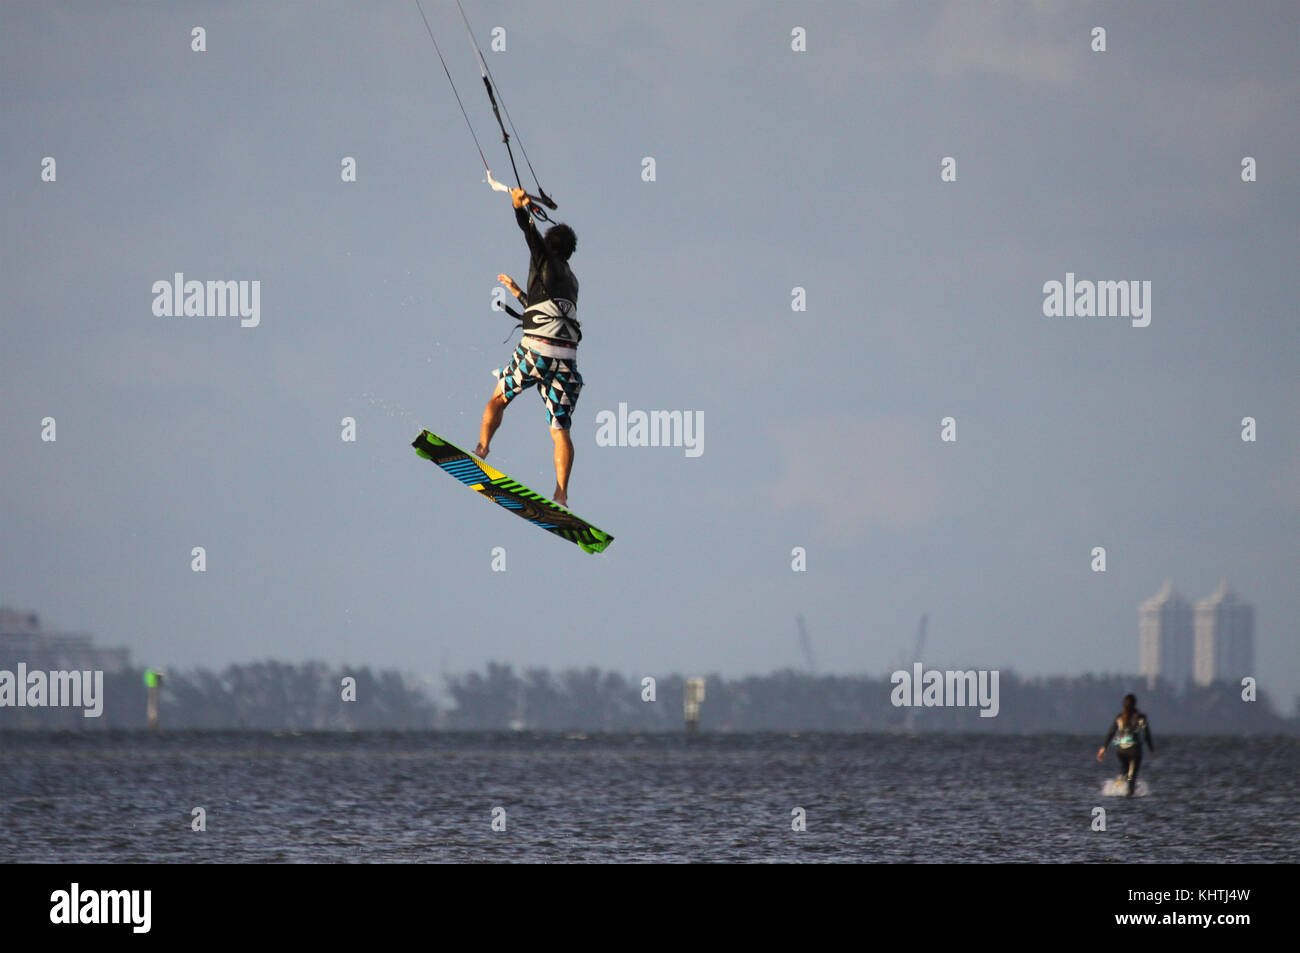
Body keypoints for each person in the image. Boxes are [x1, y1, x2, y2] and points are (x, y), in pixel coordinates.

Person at [475, 187, 583, 507]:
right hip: (565, 360)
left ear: (549, 246)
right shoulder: (571, 279)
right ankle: (561, 494)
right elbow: (544, 308)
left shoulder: (543, 257)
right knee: (559, 429)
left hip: (536, 350)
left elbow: (528, 232)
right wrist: (517, 291)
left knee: (499, 397)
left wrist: (517, 206)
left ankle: (481, 450)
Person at [1096, 694, 1155, 795]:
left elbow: (1111, 732)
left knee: (1124, 770)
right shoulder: (1141, 718)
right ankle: (1129, 795)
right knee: (1131, 777)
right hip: (1135, 751)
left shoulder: (1119, 717)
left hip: (1121, 751)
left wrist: (1104, 748)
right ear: (1135, 704)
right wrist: (1151, 750)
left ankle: (1117, 786)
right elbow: (1146, 735)